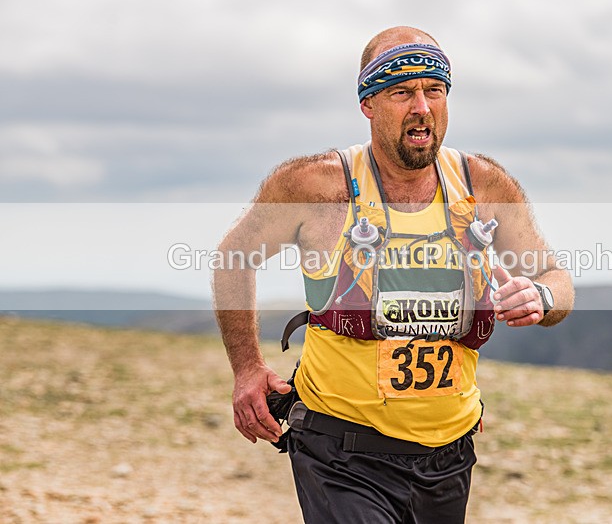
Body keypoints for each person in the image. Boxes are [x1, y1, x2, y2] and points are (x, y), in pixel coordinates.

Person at [213, 26, 574, 524]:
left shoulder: (483, 184)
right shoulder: (318, 186)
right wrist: (247, 368)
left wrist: (540, 296)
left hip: (449, 452)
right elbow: (234, 257)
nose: (421, 106)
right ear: (368, 104)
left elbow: (557, 278)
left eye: (434, 90)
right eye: (401, 92)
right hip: (341, 450)